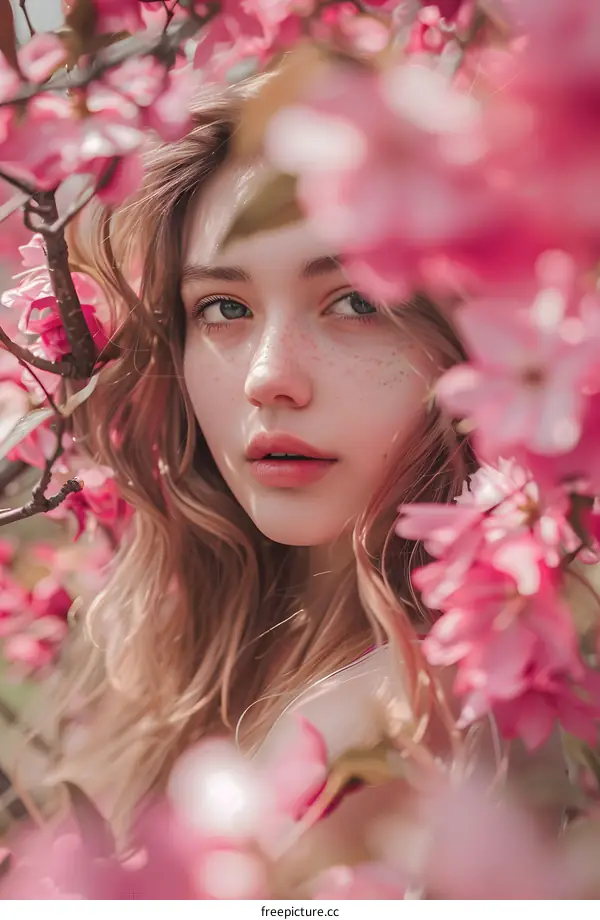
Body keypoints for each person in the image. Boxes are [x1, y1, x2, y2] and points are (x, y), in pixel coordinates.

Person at [41, 71, 475, 843]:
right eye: (225, 308)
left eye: (357, 304)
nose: (267, 376)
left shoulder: (434, 721)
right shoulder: (176, 661)